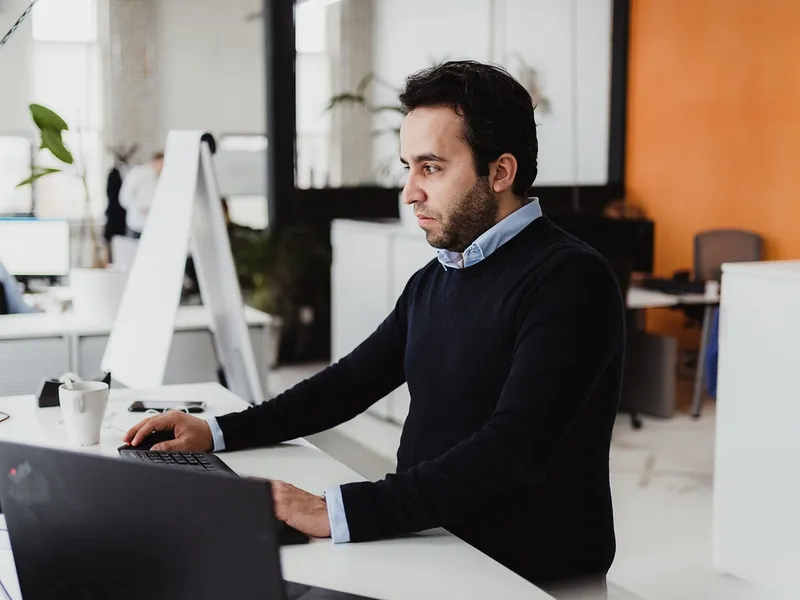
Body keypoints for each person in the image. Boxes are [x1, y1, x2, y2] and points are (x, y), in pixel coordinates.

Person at [124, 61, 625, 595]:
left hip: (524, 571)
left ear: (500, 172)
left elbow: (512, 452)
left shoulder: (570, 279)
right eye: (408, 166)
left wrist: (333, 510)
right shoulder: (435, 279)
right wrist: (220, 432)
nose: (410, 192)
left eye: (430, 167)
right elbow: (346, 385)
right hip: (427, 539)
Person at [118, 151, 164, 239]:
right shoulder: (138, 173)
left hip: (154, 224)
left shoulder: (160, 177)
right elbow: (124, 197)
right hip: (138, 224)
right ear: (155, 161)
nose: (162, 167)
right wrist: (139, 207)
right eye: (161, 164)